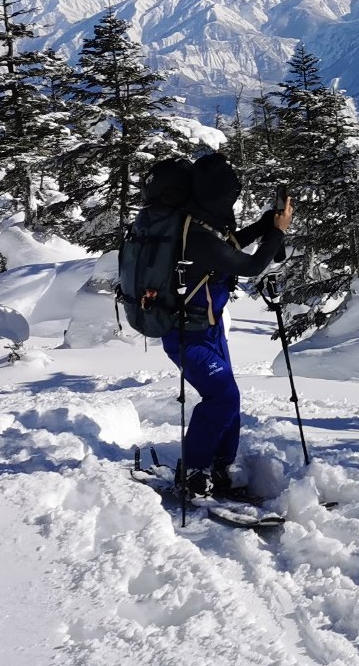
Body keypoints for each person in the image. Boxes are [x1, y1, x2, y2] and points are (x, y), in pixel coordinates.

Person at [153, 150, 290, 501]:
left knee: (229, 398)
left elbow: (227, 248)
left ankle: (219, 466)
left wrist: (263, 226)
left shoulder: (197, 226)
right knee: (223, 397)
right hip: (187, 335)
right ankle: (195, 472)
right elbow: (250, 265)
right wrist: (277, 233)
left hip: (207, 330)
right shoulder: (195, 236)